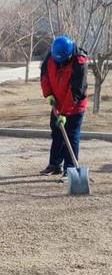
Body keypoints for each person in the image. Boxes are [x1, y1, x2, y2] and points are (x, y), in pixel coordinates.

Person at [40, 35, 88, 178]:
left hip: (74, 106)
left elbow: (76, 91)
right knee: (56, 134)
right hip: (57, 103)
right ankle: (55, 165)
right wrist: (48, 94)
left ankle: (71, 169)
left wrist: (65, 113)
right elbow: (44, 76)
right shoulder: (51, 55)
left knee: (71, 136)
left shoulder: (79, 62)